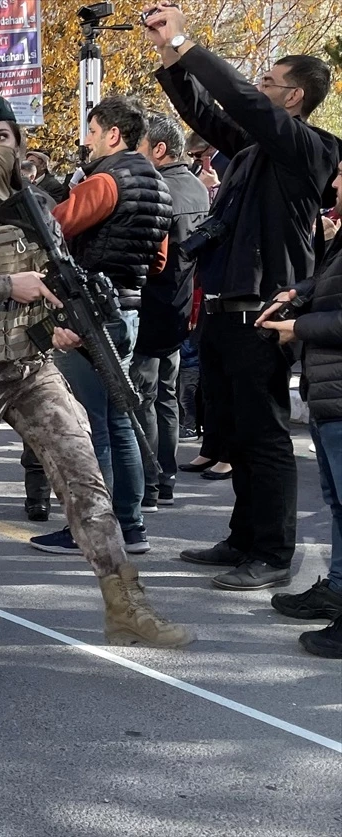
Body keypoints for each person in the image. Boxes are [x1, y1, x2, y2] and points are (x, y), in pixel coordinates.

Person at [0, 97, 192, 648]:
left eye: (5, 136)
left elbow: (58, 278)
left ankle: (125, 604)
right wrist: (0, 287)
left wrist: (62, 320)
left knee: (84, 477)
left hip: (33, 367)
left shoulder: (40, 207)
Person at [145, 4, 338, 589]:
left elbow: (239, 101)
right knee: (231, 430)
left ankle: (274, 553)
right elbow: (202, 108)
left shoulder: (307, 148)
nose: (259, 89)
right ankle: (243, 538)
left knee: (264, 434)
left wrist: (187, 38)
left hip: (265, 310)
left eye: (271, 83)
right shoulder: (256, 150)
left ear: (295, 98)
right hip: (228, 308)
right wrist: (170, 55)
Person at [29, 96, 173, 557]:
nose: (86, 141)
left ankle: (91, 528)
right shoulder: (159, 184)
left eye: (92, 131)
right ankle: (130, 525)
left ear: (113, 134)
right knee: (121, 420)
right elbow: (160, 258)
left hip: (94, 311)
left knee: (93, 426)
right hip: (128, 307)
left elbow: (55, 227)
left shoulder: (107, 179)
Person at [263, 157, 342, 658]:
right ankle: (336, 589)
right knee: (337, 503)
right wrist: (301, 292)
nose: (335, 182)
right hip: (329, 390)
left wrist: (299, 328)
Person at [132, 113, 211, 510]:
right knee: (164, 395)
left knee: (145, 395)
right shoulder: (198, 188)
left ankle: (148, 481)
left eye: (141, 146)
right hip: (181, 307)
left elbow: (151, 257)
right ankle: (165, 478)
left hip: (152, 304)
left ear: (159, 150)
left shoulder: (158, 189)